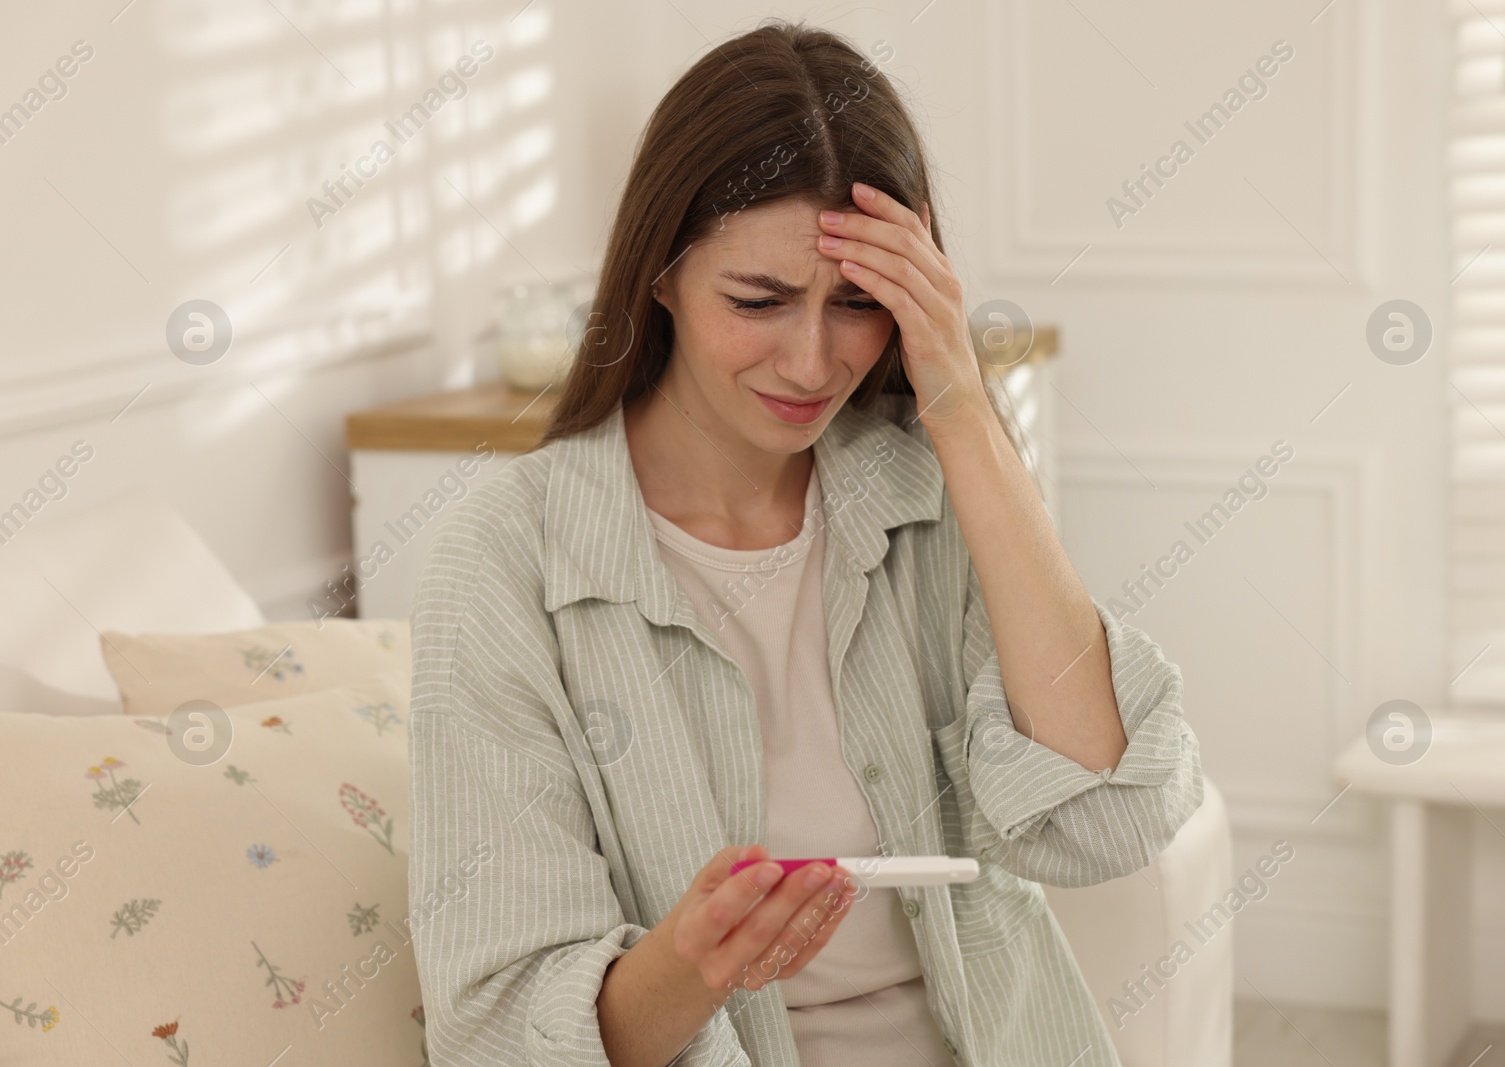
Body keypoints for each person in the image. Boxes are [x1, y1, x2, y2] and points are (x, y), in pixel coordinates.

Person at [407, 18, 1204, 1067]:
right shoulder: (503, 560)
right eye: (759, 299)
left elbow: (1106, 817)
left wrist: (963, 407)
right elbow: (501, 1027)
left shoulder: (929, 490)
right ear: (660, 275)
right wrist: (693, 965)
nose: (811, 359)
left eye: (861, 303)